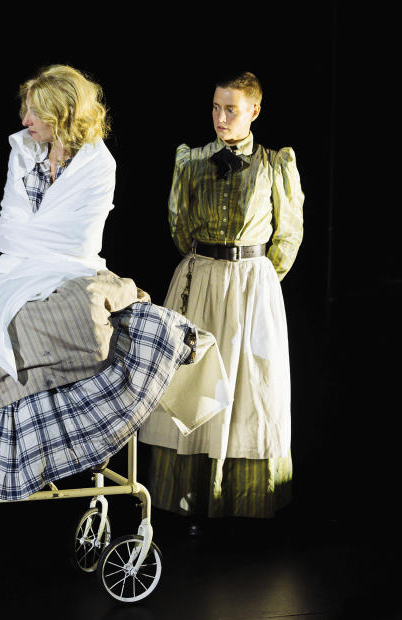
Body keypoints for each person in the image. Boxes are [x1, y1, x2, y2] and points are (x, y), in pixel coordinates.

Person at [0, 65, 198, 500]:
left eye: (35, 113)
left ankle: (84, 433)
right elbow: (4, 232)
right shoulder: (24, 152)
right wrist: (35, 239)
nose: (25, 122)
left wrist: (34, 239)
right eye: (25, 111)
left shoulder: (99, 164)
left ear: (63, 114)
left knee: (76, 314)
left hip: (73, 267)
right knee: (1, 323)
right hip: (19, 270)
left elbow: (78, 239)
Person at [140, 72, 304, 528]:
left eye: (231, 109)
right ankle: (191, 500)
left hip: (251, 285)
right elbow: (179, 226)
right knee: (195, 382)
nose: (220, 117)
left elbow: (288, 235)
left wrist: (259, 282)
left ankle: (244, 501)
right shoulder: (191, 161)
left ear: (254, 111)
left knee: (249, 386)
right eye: (215, 107)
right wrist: (209, 267)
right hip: (202, 279)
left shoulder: (275, 164)